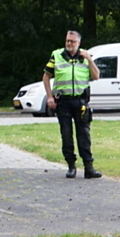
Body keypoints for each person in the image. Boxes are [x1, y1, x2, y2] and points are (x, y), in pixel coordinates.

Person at [43, 30, 102, 179]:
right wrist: (50, 97)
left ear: (79, 43)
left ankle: (89, 168)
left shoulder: (85, 57)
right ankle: (71, 166)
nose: (69, 44)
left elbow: (96, 76)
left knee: (84, 135)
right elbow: (46, 76)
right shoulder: (57, 55)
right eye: (67, 41)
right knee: (66, 135)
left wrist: (89, 59)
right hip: (63, 102)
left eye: (72, 41)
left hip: (81, 102)